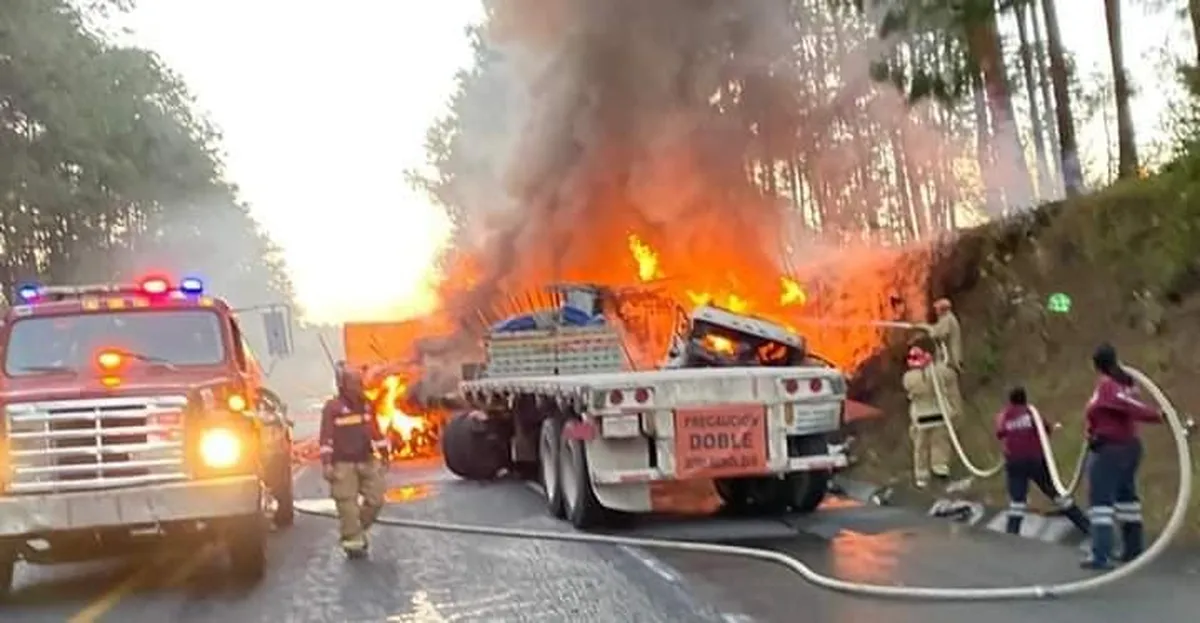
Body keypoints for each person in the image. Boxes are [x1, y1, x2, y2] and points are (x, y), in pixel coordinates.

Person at [1080, 343, 1163, 570]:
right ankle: (1132, 548)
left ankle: (1101, 554)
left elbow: (1129, 405)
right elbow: (1129, 404)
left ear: (1096, 364)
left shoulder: (1109, 386)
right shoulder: (1126, 383)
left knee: (1100, 502)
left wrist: (1158, 415)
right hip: (1128, 448)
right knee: (1127, 498)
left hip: (1111, 449)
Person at [994, 386, 1089, 536]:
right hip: (1035, 460)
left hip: (1015, 462)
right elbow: (1045, 428)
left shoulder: (1004, 415)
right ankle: (1085, 525)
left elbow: (1000, 433)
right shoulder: (1032, 413)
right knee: (1055, 492)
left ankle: (1012, 534)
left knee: (1017, 501)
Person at [319, 365, 390, 555]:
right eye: (354, 382)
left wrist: (385, 455)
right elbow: (326, 438)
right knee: (347, 505)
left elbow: (375, 431)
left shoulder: (366, 404)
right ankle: (353, 543)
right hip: (343, 464)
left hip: (366, 459)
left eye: (360, 382)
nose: (359, 386)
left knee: (376, 499)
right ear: (343, 385)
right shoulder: (332, 408)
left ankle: (357, 529)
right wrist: (327, 464)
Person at [902, 344, 957, 488]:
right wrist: (935, 361)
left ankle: (922, 476)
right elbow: (949, 375)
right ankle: (940, 469)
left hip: (921, 419)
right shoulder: (937, 372)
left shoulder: (908, 377)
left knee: (921, 447)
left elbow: (910, 389)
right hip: (939, 415)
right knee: (940, 444)